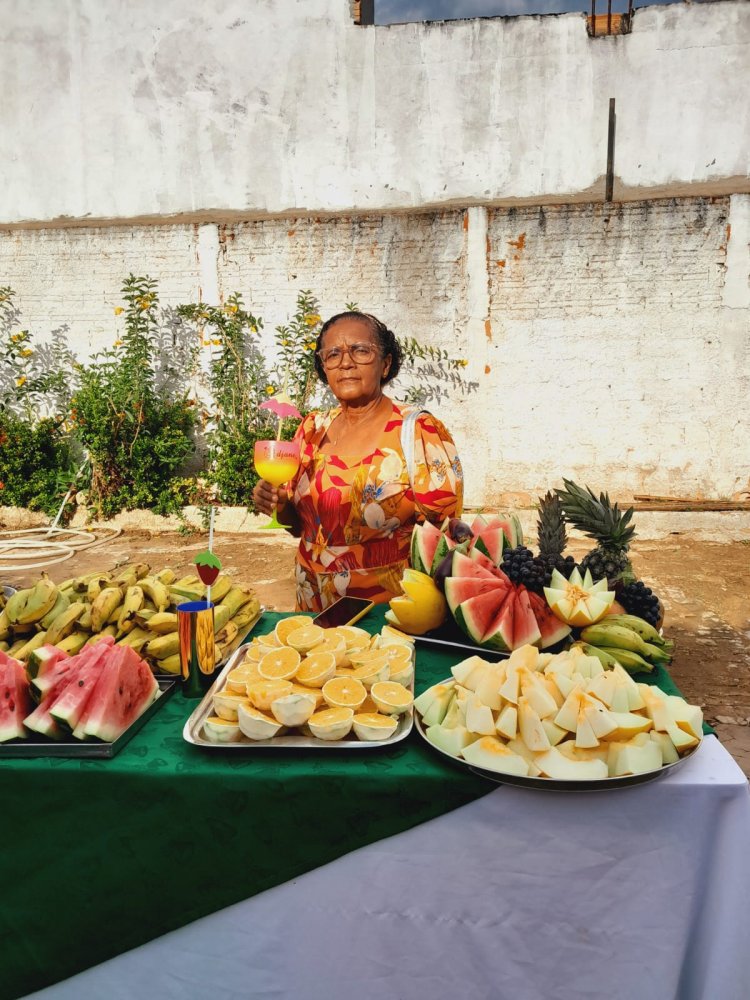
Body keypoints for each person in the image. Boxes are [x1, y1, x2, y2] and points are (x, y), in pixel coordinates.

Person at [253, 311, 463, 612]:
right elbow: (300, 529)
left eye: (361, 350)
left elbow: (445, 540)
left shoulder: (419, 432)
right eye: (333, 354)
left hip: (388, 610)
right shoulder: (311, 429)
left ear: (386, 364)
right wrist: (280, 504)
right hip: (313, 605)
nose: (346, 362)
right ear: (324, 367)